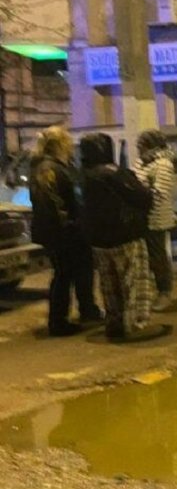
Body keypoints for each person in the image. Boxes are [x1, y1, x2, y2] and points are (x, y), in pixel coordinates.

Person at [79, 133, 160, 342]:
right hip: (125, 236)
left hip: (98, 240)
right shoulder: (115, 174)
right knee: (134, 281)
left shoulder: (83, 176)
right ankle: (135, 323)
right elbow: (143, 198)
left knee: (109, 284)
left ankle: (114, 322)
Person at [28, 126, 102, 336]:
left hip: (64, 231)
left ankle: (87, 311)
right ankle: (58, 321)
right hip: (64, 233)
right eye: (68, 142)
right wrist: (71, 225)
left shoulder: (51, 166)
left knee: (79, 271)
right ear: (60, 144)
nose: (71, 146)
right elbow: (53, 205)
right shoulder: (49, 169)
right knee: (64, 275)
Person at [133, 129, 176, 312]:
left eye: (141, 145)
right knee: (144, 259)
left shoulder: (163, 164)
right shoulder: (141, 163)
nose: (138, 149)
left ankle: (164, 292)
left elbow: (160, 193)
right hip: (141, 219)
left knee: (158, 257)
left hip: (156, 218)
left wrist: (140, 197)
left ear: (151, 146)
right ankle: (146, 295)